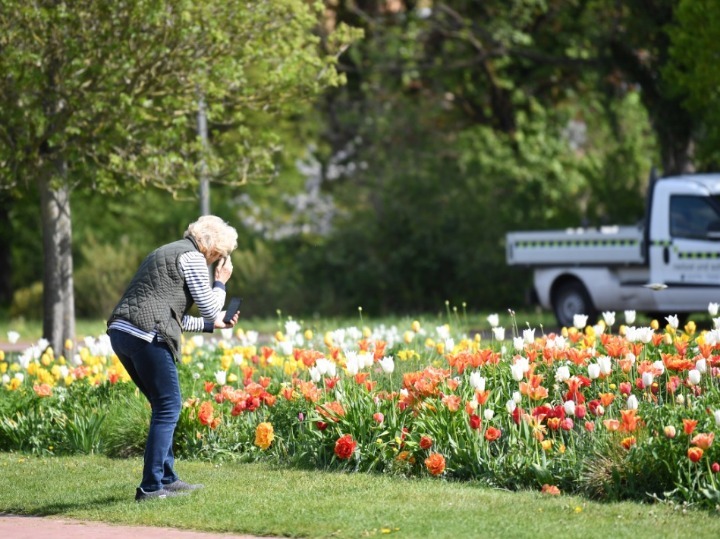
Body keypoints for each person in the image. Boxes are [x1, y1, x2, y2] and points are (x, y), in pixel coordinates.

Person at [107, 215, 239, 501]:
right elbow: (208, 307)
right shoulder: (191, 257)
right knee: (169, 406)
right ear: (210, 243)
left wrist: (212, 325)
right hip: (145, 334)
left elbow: (172, 317)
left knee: (161, 404)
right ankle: (151, 487)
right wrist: (221, 283)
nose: (217, 258)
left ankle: (166, 478)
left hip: (122, 332)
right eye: (220, 252)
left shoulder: (164, 251)